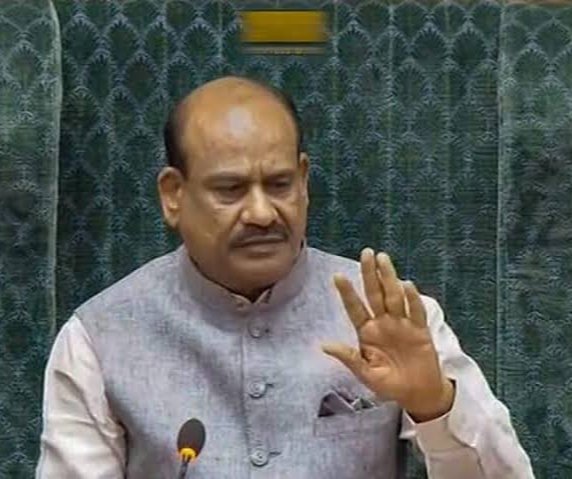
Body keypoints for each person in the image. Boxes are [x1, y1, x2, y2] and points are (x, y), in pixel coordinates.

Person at [36, 76, 534, 478]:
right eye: (230, 189)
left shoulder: (393, 318)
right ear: (173, 195)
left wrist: (434, 405)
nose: (261, 213)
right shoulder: (98, 339)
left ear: (304, 181)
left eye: (279, 184)